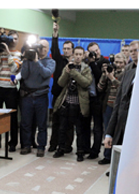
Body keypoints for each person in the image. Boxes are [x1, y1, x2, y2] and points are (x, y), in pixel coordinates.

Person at [52, 46, 92, 162]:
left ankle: (80, 152)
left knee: (79, 130)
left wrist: (74, 73)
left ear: (83, 56)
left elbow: (86, 83)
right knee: (62, 128)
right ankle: (60, 148)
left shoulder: (86, 69)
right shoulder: (68, 67)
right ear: (73, 55)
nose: (78, 57)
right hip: (66, 103)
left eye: (80, 54)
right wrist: (67, 71)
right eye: (76, 54)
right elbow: (60, 82)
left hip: (79, 105)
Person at [19, 40, 55, 157]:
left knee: (42, 124)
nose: (41, 49)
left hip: (41, 96)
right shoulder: (29, 60)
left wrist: (36, 61)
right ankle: (26, 145)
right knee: (26, 123)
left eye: (44, 47)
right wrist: (25, 61)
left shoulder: (51, 62)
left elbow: (46, 73)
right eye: (39, 47)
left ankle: (41, 146)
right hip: (28, 96)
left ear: (47, 48)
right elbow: (24, 76)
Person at [104, 40, 139, 152]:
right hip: (121, 129)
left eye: (136, 50)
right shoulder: (128, 74)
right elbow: (118, 104)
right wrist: (109, 133)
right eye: (131, 51)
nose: (133, 53)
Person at [0, 30, 22, 151]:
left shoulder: (18, 54)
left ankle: (12, 143)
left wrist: (8, 53)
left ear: (18, 40)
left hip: (10, 89)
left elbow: (14, 69)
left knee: (12, 117)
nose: (13, 41)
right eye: (11, 38)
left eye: (15, 39)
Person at [48, 22, 75, 153]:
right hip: (58, 94)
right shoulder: (59, 60)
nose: (65, 50)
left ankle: (67, 145)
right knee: (56, 121)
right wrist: (55, 33)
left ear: (73, 50)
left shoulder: (76, 63)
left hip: (71, 95)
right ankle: (54, 144)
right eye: (64, 48)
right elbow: (54, 49)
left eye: (68, 48)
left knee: (69, 123)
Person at [98, 53, 127, 165]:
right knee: (107, 132)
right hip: (108, 106)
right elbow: (100, 88)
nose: (118, 65)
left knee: (118, 133)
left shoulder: (127, 74)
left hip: (120, 107)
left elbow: (123, 89)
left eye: (120, 63)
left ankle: (117, 158)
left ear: (125, 63)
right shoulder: (110, 72)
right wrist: (105, 75)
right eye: (116, 62)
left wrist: (112, 78)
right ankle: (107, 155)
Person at [83, 42, 110, 159]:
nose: (95, 53)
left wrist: (93, 63)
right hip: (87, 98)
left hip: (99, 99)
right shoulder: (86, 62)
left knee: (98, 127)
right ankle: (85, 148)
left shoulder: (104, 62)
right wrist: (88, 61)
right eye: (92, 51)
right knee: (85, 125)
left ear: (99, 49)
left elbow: (100, 77)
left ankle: (95, 151)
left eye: (96, 50)